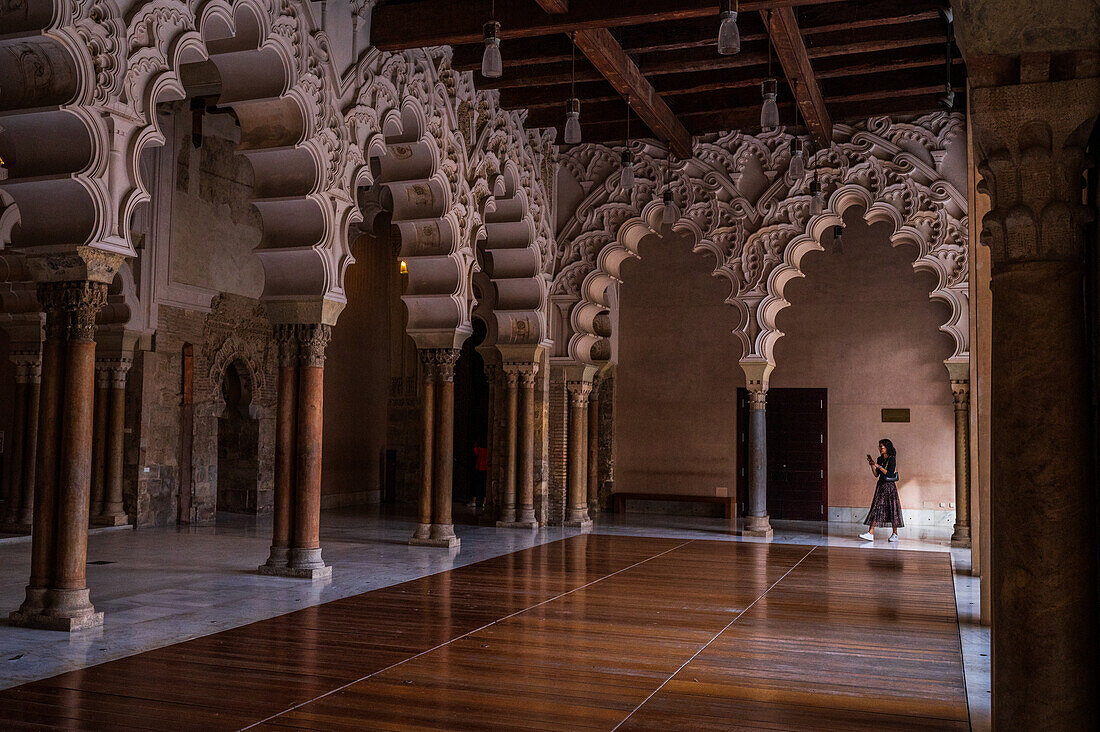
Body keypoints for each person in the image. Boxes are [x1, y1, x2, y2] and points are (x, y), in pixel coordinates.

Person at [859, 438, 904, 542]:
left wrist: (877, 465)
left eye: (882, 447)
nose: (880, 449)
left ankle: (895, 533)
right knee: (876, 508)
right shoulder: (880, 459)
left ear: (887, 447)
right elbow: (876, 475)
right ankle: (870, 533)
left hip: (889, 487)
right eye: (879, 446)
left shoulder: (892, 459)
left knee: (892, 509)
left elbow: (889, 474)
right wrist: (872, 465)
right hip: (881, 486)